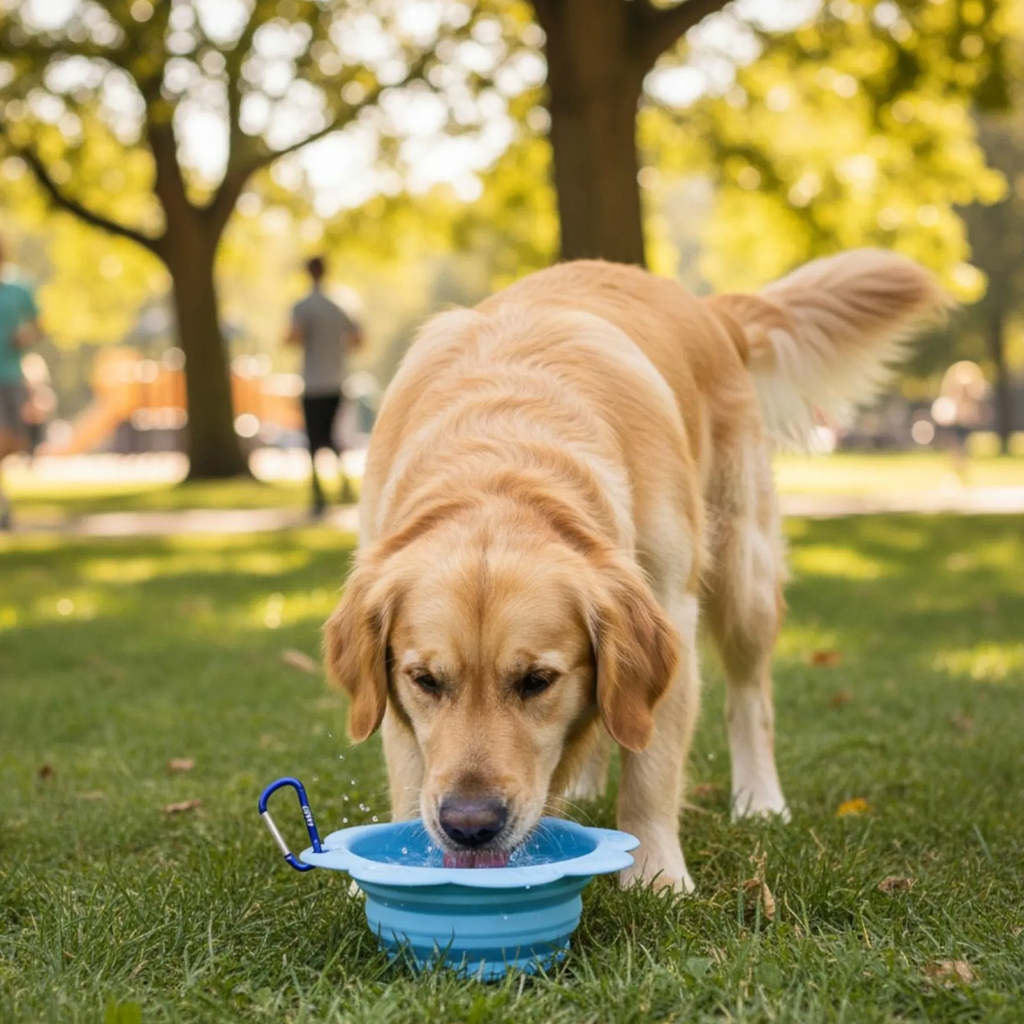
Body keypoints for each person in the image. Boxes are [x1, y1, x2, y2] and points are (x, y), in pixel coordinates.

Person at [287, 255, 362, 516]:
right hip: (336, 380)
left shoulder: (303, 306)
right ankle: (344, 485)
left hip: (313, 382)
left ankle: (319, 493)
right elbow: (359, 339)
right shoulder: (340, 305)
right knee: (330, 435)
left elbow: (292, 338)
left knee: (314, 438)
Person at [0, 237, 41, 530]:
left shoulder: (19, 288)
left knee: (16, 441)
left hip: (11, 374)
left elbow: (39, 326)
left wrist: (24, 338)